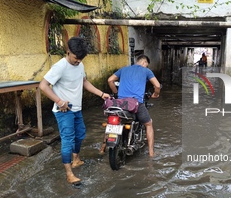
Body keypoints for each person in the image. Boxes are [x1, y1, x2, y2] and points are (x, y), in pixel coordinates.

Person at [39, 37, 110, 185]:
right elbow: (43, 85)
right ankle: (69, 174)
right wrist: (59, 101)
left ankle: (75, 159)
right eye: (76, 58)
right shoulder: (60, 67)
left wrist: (101, 94)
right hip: (63, 111)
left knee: (81, 134)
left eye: (81, 59)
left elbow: (84, 82)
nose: (78, 61)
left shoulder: (80, 64)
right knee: (67, 140)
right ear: (68, 52)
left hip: (76, 108)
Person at [108, 54, 161, 157]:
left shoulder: (123, 69)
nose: (146, 66)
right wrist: (156, 94)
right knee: (149, 124)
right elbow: (157, 85)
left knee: (112, 122)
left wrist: (116, 93)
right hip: (136, 103)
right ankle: (151, 153)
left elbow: (110, 80)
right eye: (147, 64)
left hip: (120, 103)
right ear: (144, 62)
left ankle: (102, 149)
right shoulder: (146, 71)